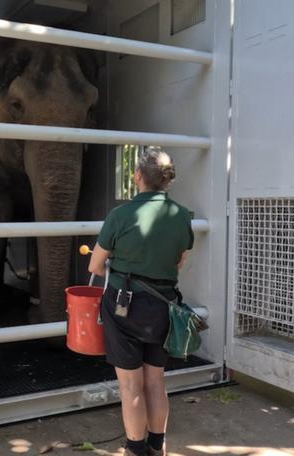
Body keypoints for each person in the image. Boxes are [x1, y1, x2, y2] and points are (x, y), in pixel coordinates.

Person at [87, 146, 194, 456]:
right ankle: (157, 446)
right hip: (163, 308)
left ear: (137, 177)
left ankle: (135, 449)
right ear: (166, 180)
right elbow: (178, 263)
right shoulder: (181, 216)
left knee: (132, 386)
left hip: (124, 307)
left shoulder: (120, 215)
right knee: (156, 382)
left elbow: (95, 266)